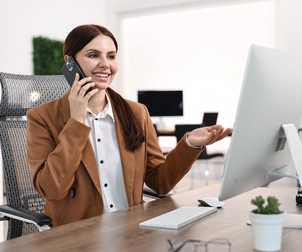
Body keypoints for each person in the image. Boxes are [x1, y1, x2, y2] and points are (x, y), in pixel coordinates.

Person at [26, 24, 232, 227]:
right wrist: (77, 122)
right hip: (78, 238)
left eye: (111, 56)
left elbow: (160, 183)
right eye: (93, 55)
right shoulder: (42, 118)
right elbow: (52, 189)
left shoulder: (136, 113)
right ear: (70, 62)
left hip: (133, 232)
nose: (105, 64)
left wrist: (189, 144)